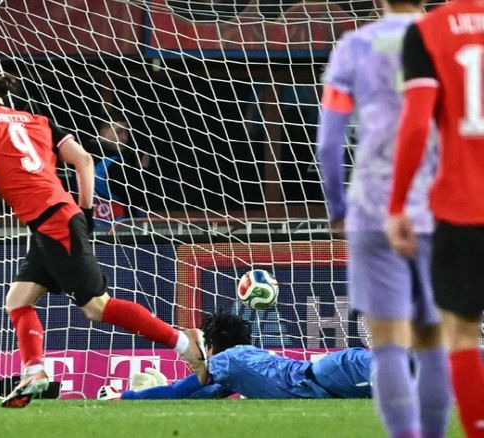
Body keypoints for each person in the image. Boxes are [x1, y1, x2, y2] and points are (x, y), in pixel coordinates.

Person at [0, 67, 206, 408]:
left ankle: (186, 345)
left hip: (52, 222)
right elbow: (84, 160)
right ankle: (34, 372)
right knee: (18, 300)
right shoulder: (38, 120)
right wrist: (85, 210)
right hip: (55, 218)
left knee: (97, 307)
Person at [316, 1, 452, 437]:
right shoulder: (446, 40)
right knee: (433, 340)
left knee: (389, 342)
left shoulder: (354, 46)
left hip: (373, 209)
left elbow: (329, 144)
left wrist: (338, 208)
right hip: (437, 208)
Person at [387, 1, 484, 435]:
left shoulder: (428, 31)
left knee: (461, 331)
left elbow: (416, 123)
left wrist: (397, 205)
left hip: (462, 206)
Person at [98, 312, 372, 400]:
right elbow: (197, 395)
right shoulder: (235, 367)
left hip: (337, 372)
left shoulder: (226, 360)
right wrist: (157, 392)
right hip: (333, 379)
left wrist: (124, 397)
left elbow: (178, 392)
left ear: (211, 346)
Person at [88, 118, 149, 226]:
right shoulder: (114, 164)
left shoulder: (84, 158)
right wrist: (143, 169)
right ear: (103, 133)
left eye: (126, 133)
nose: (124, 138)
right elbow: (138, 197)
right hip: (119, 228)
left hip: (92, 225)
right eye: (119, 132)